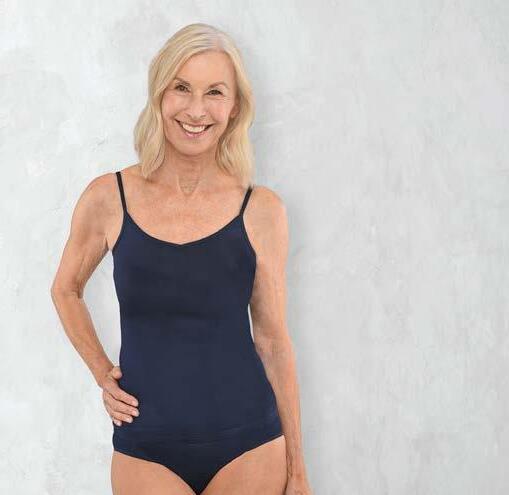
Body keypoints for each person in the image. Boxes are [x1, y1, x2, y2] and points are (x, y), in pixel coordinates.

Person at [50, 23, 312, 495]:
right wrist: (102, 372)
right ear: (159, 94)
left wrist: (297, 472)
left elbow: (273, 342)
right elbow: (65, 289)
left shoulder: (262, 210)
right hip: (145, 445)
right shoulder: (109, 197)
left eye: (215, 92)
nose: (196, 110)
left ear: (234, 107)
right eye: (182, 88)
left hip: (250, 444)